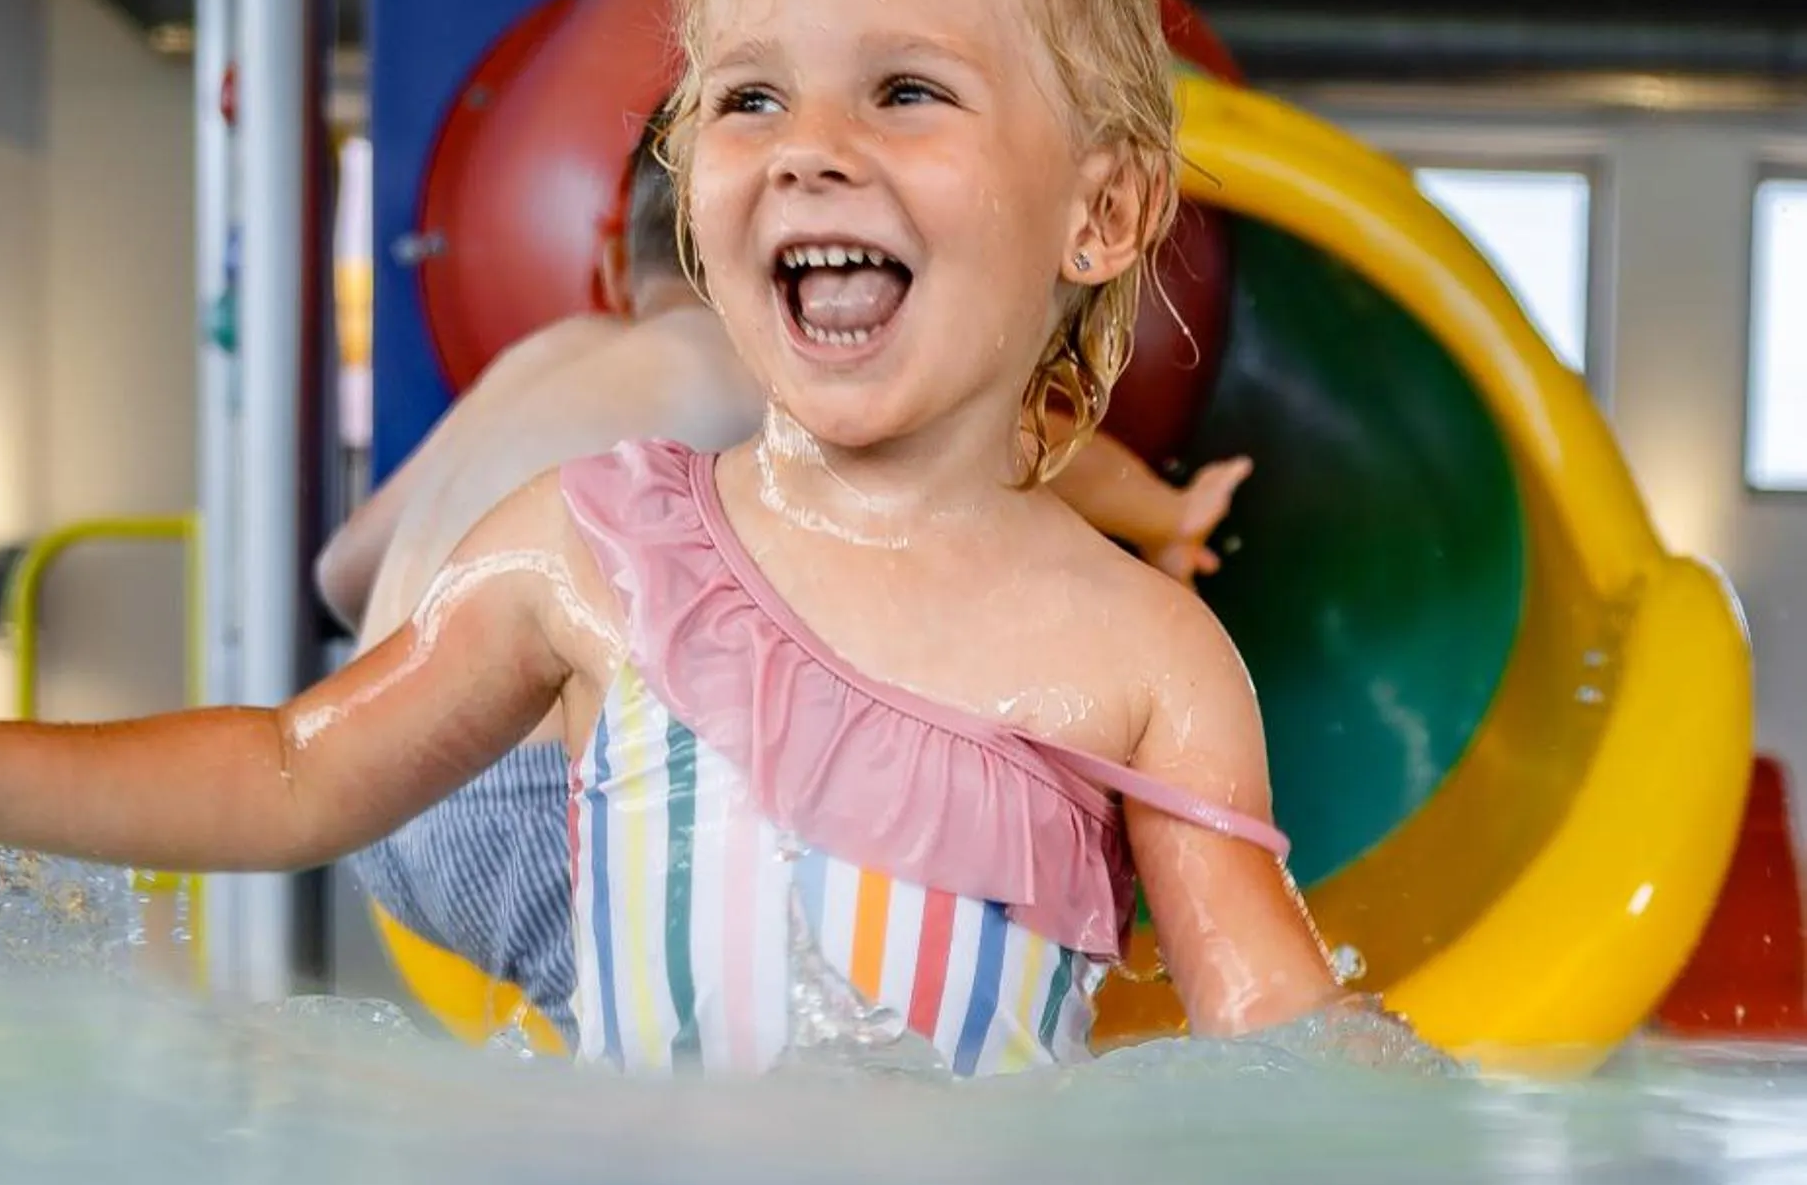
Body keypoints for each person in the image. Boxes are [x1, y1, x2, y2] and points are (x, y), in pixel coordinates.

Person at [0, 0, 1340, 1073]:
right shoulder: (599, 547)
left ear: (1105, 205)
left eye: (906, 91)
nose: (807, 150)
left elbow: (1273, 1031)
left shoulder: (1145, 659)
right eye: (748, 96)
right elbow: (295, 771)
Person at [319, 105, 1250, 1038]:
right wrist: (1169, 514)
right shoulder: (762, 357)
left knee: (623, 1037)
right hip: (525, 785)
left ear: (609, 269)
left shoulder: (539, 357)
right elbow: (1014, 449)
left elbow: (342, 570)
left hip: (388, 780)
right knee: (708, 1050)